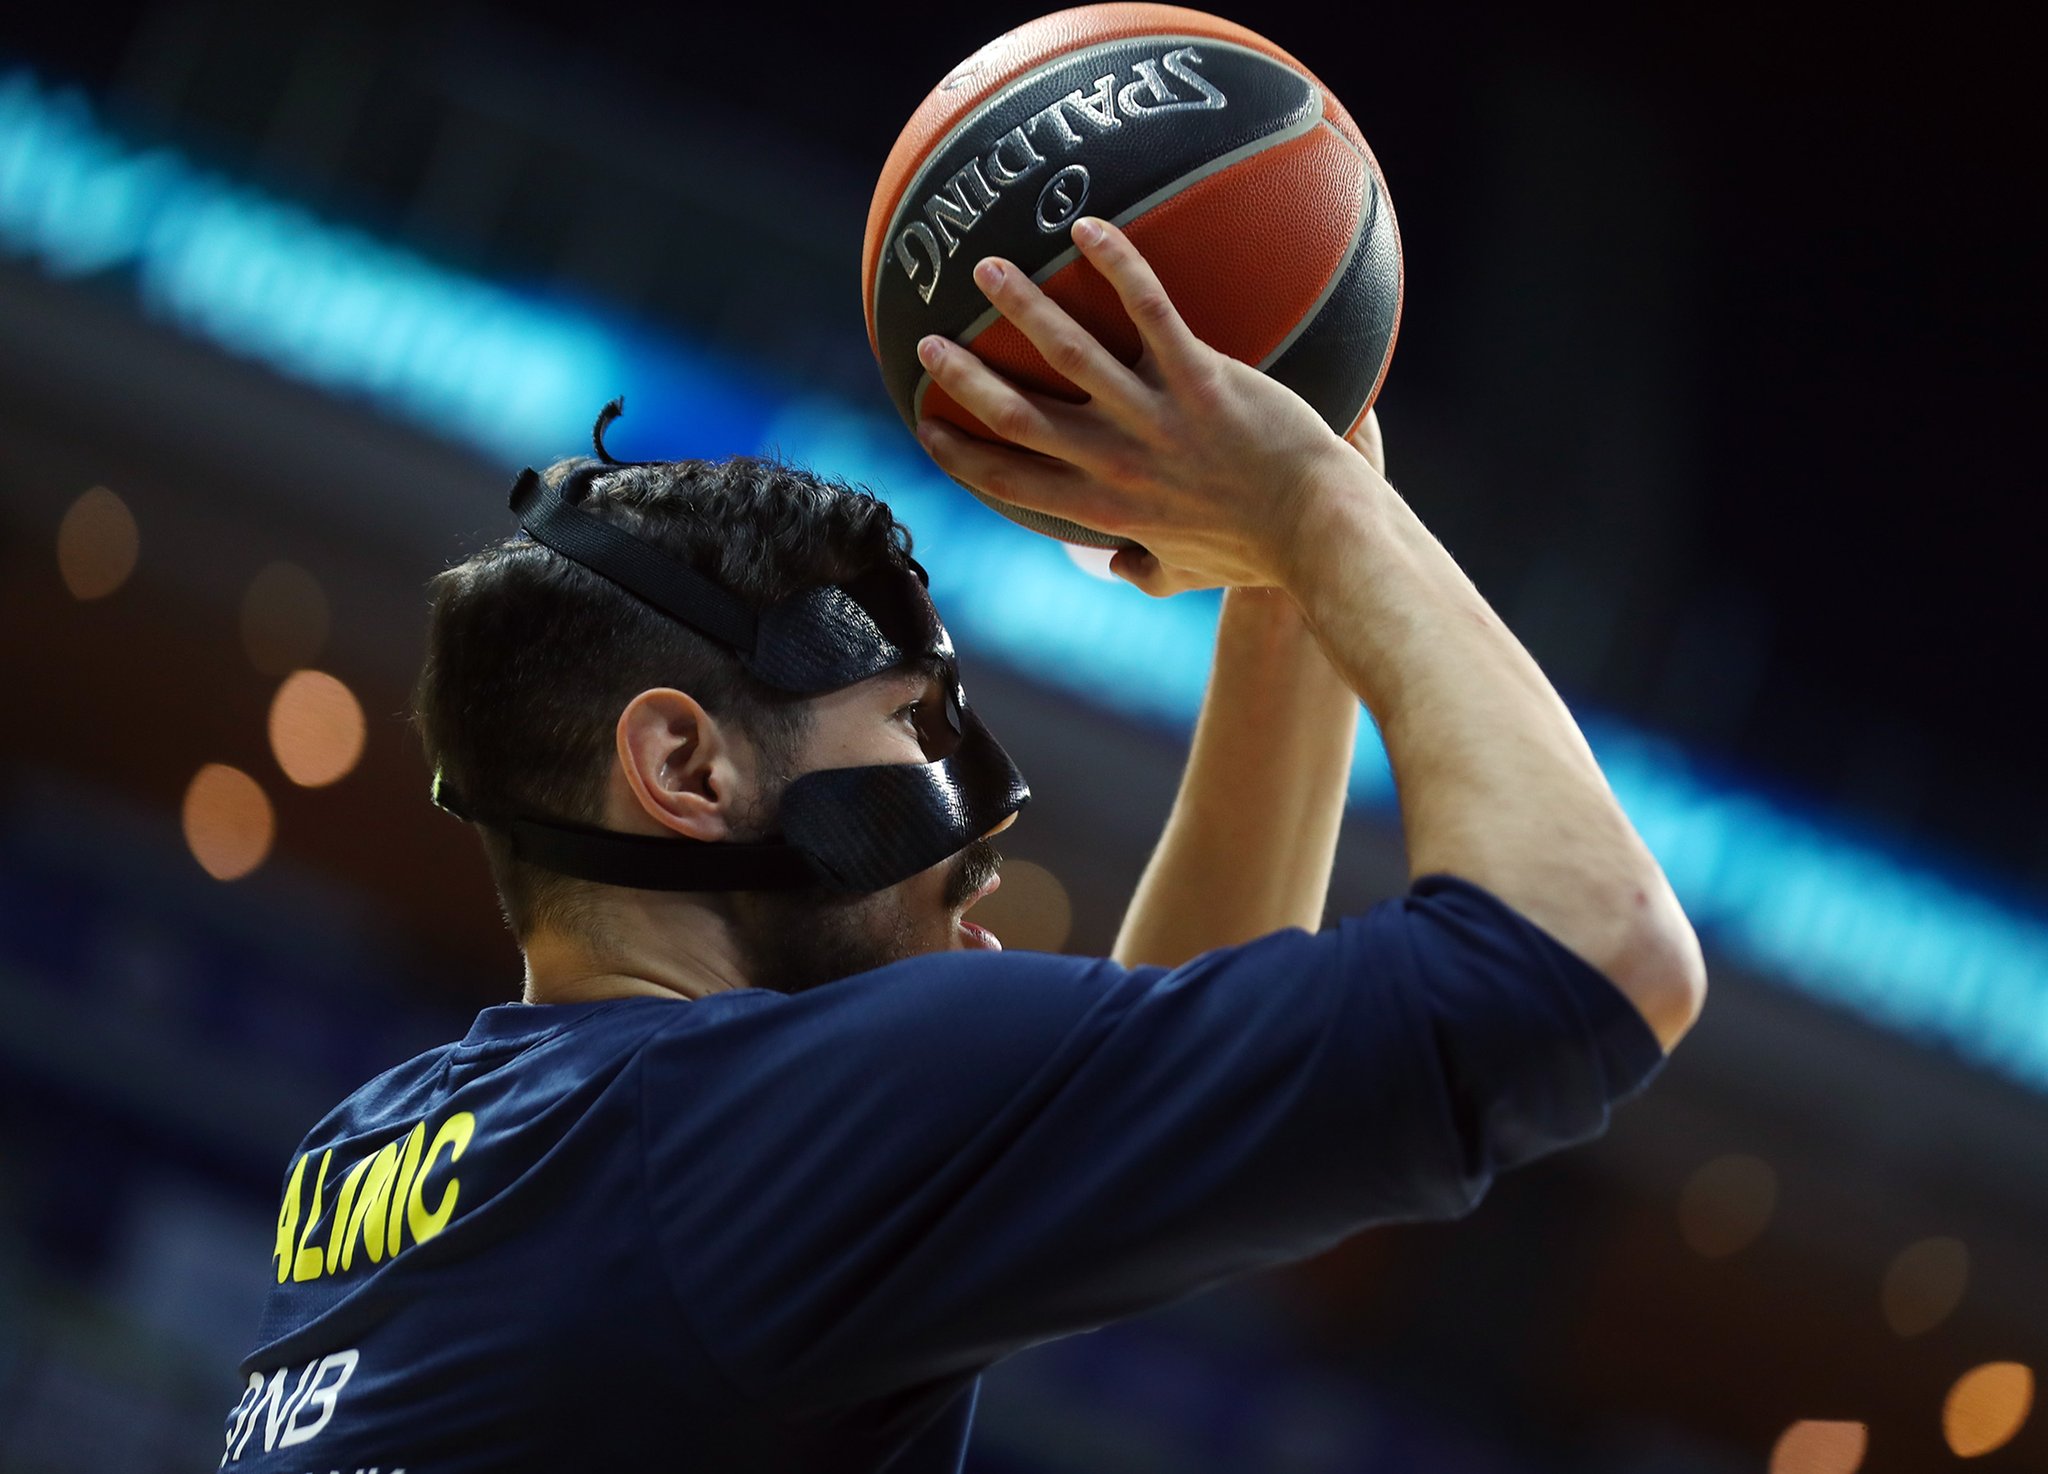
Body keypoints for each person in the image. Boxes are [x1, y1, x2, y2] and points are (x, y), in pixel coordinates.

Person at [220, 218, 1705, 1472]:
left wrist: (1283, 595)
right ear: (684, 766)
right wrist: (1314, 506)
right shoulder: (735, 1125)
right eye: (912, 723)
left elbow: (1130, 1081)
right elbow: (1588, 950)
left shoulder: (383, 1143)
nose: (977, 820)